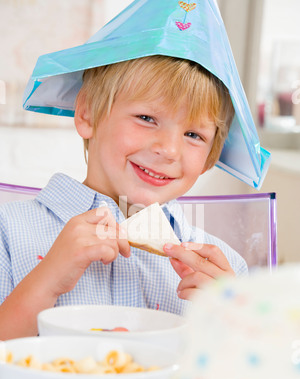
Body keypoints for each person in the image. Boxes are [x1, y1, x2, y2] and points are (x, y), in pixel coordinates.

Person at [0, 54, 248, 340]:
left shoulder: (225, 270)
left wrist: (234, 321)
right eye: (146, 118)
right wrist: (46, 282)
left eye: (193, 134)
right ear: (87, 114)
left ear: (209, 158)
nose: (168, 150)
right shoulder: (8, 231)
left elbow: (253, 378)